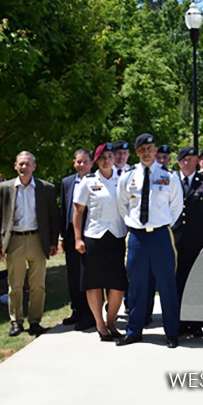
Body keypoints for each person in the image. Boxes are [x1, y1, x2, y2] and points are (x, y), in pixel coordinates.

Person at [116, 134, 184, 348]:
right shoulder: (127, 177)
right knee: (136, 284)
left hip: (160, 236)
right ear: (137, 152)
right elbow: (122, 204)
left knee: (167, 284)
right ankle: (134, 330)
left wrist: (161, 223)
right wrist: (135, 224)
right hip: (137, 236)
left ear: (156, 151)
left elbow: (176, 206)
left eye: (150, 148)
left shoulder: (169, 176)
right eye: (142, 149)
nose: (146, 152)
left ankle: (171, 332)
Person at [0, 151, 59, 337]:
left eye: (27, 164)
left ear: (34, 166)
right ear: (15, 166)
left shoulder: (46, 188)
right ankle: (16, 321)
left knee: (38, 285)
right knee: (15, 285)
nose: (24, 167)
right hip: (15, 240)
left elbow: (54, 218)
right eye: (21, 164)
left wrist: (53, 241)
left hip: (38, 240)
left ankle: (35, 321)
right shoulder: (5, 188)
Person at [72, 143, 128, 342]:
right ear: (96, 160)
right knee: (94, 283)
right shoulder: (88, 181)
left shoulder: (122, 179)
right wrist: (77, 239)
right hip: (94, 237)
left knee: (118, 284)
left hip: (117, 236)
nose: (107, 160)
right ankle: (100, 324)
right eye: (102, 156)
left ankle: (111, 321)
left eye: (110, 156)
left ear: (115, 158)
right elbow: (78, 212)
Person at [173, 146, 203, 337]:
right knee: (176, 281)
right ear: (178, 162)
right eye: (183, 160)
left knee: (195, 282)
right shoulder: (171, 181)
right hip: (174, 239)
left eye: (191, 159)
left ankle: (195, 321)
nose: (187, 163)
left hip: (198, 240)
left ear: (197, 162)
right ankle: (177, 321)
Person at [60, 148, 94, 331]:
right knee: (72, 275)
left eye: (85, 162)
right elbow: (65, 210)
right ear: (74, 163)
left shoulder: (96, 181)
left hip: (89, 234)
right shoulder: (67, 182)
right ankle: (76, 310)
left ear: (91, 163)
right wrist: (63, 237)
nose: (81, 165)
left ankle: (89, 313)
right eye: (78, 162)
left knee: (86, 274)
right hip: (71, 234)